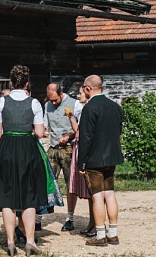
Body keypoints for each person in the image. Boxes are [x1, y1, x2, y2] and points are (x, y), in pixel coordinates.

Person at [0, 65, 50, 256]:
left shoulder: (1, 102)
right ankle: (30, 242)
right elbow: (40, 132)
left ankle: (11, 242)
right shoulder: (34, 103)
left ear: (11, 82)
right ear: (27, 82)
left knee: (7, 197)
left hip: (6, 147)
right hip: (27, 148)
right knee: (29, 196)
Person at [77, 75, 125, 247]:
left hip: (94, 158)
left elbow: (86, 138)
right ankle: (113, 233)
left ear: (88, 88)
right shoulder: (115, 107)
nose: (82, 91)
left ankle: (99, 234)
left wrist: (81, 162)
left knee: (97, 196)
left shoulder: (89, 108)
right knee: (110, 194)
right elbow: (118, 133)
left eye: (83, 88)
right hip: (111, 157)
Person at [45, 83, 77, 231]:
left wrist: (69, 135)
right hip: (53, 146)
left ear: (61, 93)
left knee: (70, 183)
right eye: (51, 100)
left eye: (55, 100)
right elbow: (46, 125)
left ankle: (70, 218)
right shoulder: (47, 106)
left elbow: (79, 126)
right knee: (47, 179)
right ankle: (42, 213)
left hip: (68, 148)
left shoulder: (73, 103)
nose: (53, 103)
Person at [68, 85, 94, 236]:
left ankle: (94, 222)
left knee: (91, 188)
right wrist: (71, 117)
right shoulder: (82, 109)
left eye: (80, 93)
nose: (78, 96)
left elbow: (80, 134)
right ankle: (92, 222)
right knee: (88, 188)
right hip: (80, 147)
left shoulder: (88, 110)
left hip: (85, 149)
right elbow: (78, 131)